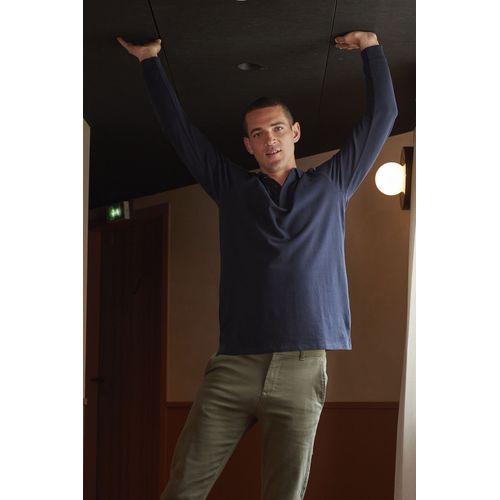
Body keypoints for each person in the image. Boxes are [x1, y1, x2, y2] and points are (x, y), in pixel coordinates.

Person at [117, 30, 397, 500]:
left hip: (303, 366)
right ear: (248, 145)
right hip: (235, 365)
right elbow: (181, 133)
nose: (270, 140)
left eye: (278, 129)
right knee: (182, 487)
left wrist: (371, 48)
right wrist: (149, 62)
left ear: (295, 132)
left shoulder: (332, 184)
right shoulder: (233, 190)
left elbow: (383, 115)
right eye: (258, 134)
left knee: (283, 494)